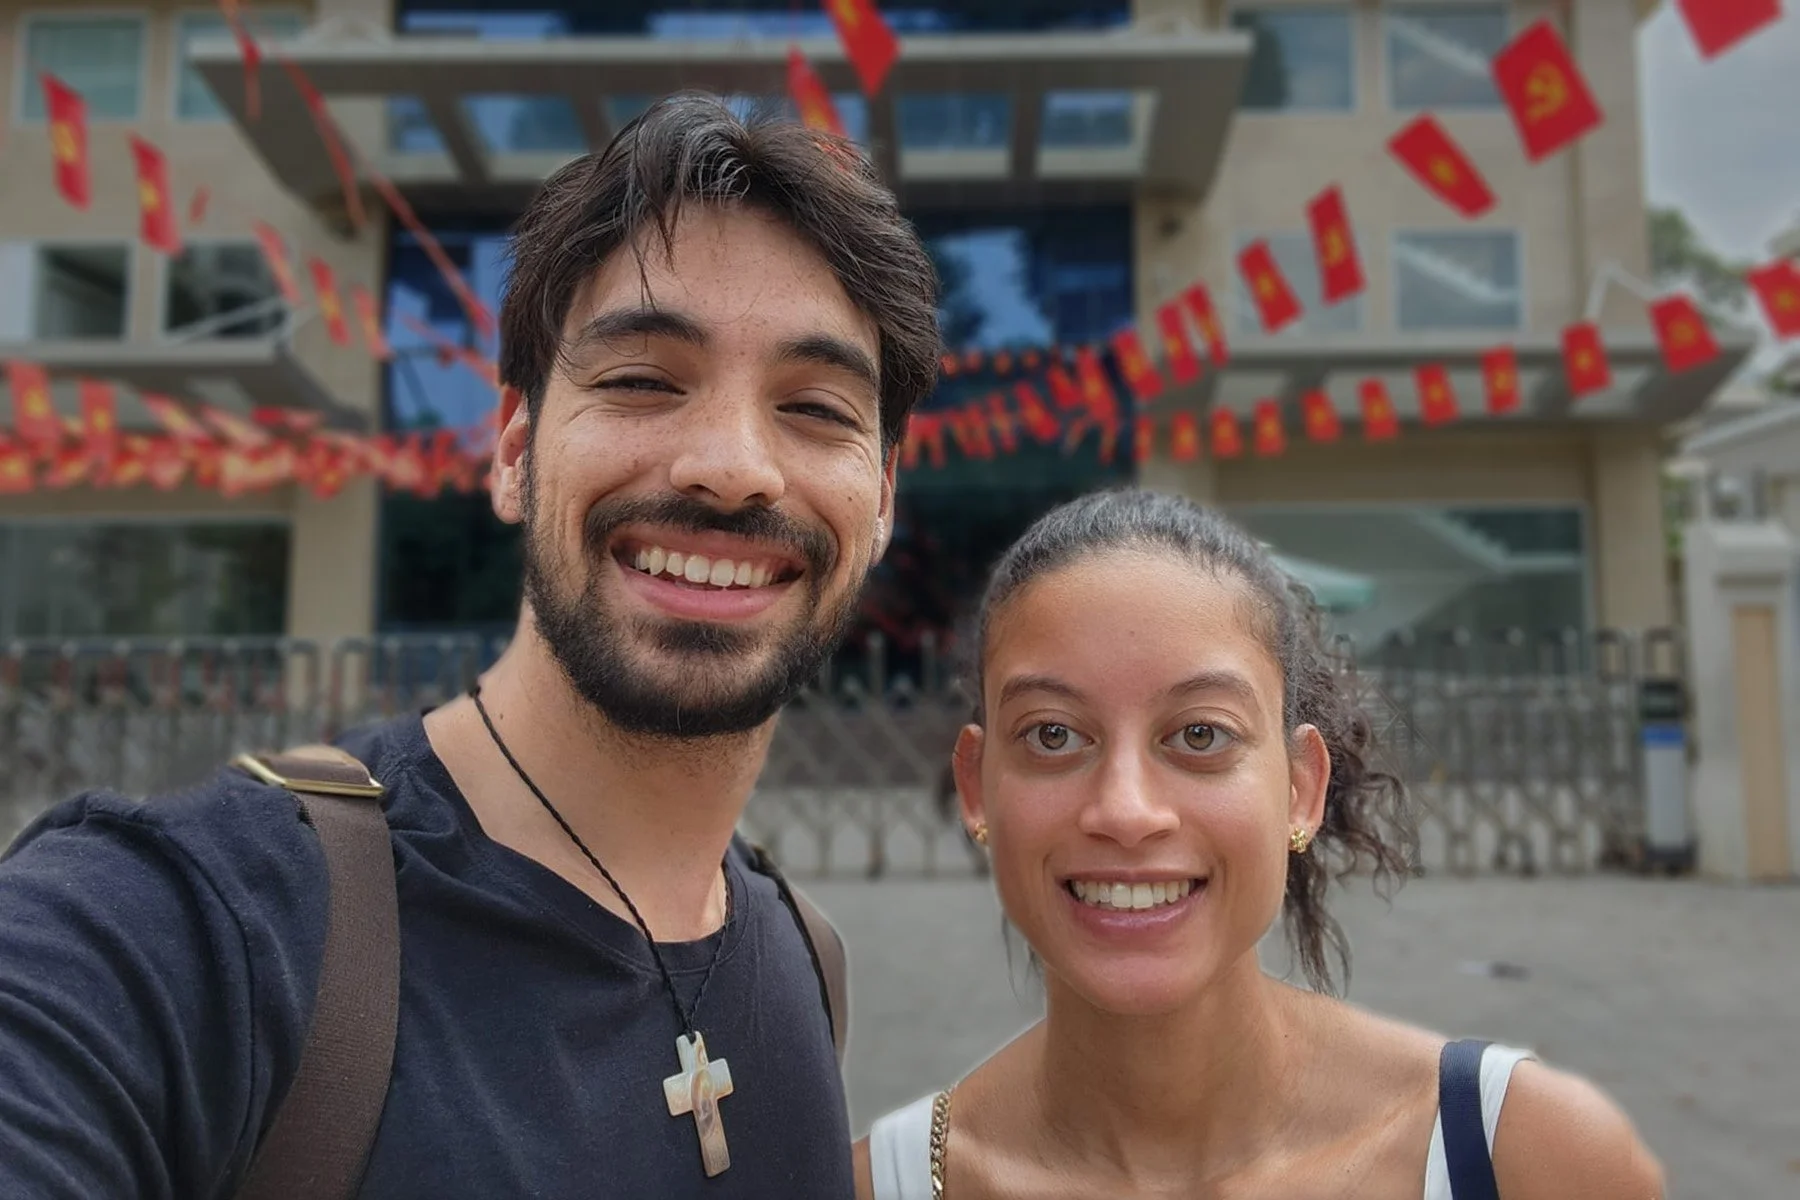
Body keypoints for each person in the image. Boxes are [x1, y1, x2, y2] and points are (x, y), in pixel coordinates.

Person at [0, 93, 940, 1198]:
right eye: (642, 380)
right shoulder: (182, 929)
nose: (732, 466)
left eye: (816, 407)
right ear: (514, 452)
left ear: (881, 499)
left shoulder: (805, 959)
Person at [855, 489, 1664, 1200]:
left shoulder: (1523, 1159)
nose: (1127, 812)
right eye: (1053, 734)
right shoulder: (876, 1186)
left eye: (1200, 734)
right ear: (976, 787)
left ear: (1301, 788)